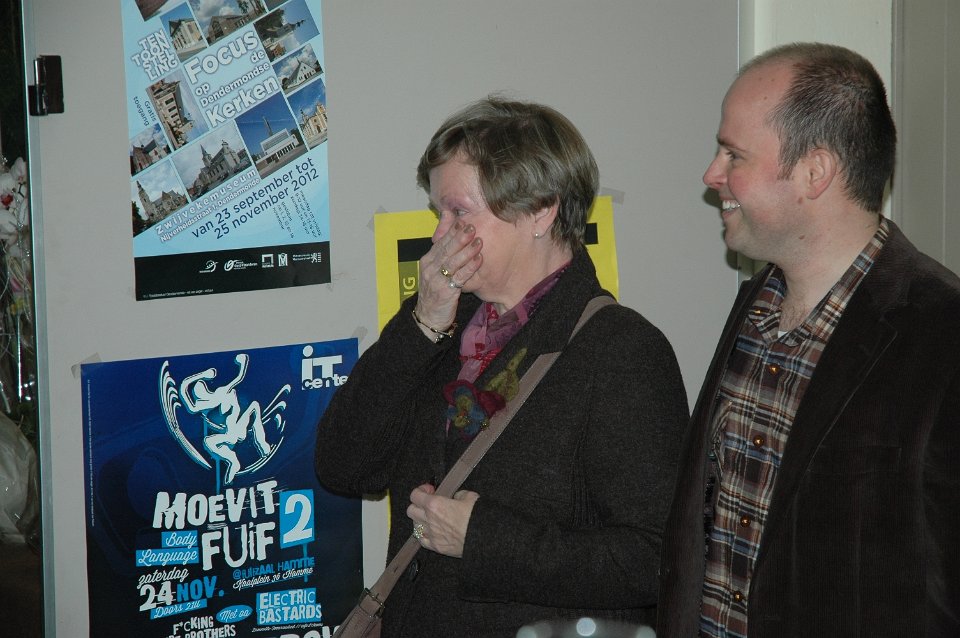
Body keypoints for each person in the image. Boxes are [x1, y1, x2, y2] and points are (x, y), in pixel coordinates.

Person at [315, 96, 688, 637]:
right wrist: (422, 324)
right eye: (438, 214)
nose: (440, 235)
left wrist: (484, 540)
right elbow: (344, 466)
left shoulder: (622, 350)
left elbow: (654, 559)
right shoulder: (441, 320)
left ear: (540, 211)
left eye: (459, 213)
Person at [657, 43, 960, 637]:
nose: (712, 174)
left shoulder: (942, 334)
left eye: (733, 154)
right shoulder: (754, 304)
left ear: (814, 172)